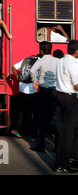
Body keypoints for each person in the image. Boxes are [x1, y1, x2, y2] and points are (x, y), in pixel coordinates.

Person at [29, 41, 59, 152]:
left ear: (41, 51)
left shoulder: (40, 60)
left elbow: (32, 70)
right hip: (56, 91)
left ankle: (41, 145)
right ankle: (57, 146)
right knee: (56, 119)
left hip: (44, 91)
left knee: (42, 118)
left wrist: (34, 81)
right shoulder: (57, 60)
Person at [54, 40, 78, 173]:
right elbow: (76, 85)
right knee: (67, 132)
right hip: (70, 97)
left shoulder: (61, 61)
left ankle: (73, 158)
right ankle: (62, 164)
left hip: (61, 96)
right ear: (76, 51)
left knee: (73, 129)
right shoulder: (73, 64)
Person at [10, 56, 39, 140]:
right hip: (33, 90)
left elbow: (14, 67)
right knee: (35, 113)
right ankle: (34, 135)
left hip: (22, 89)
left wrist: (18, 78)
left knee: (21, 111)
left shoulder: (24, 60)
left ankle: (15, 129)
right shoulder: (39, 61)